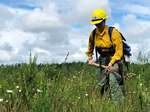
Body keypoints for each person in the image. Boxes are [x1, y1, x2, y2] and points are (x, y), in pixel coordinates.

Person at [85, 9, 124, 103]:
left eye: (99, 23)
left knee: (113, 80)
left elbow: (119, 52)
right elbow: (90, 47)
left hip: (115, 59)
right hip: (102, 59)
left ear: (104, 21)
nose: (97, 25)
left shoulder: (113, 32)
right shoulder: (93, 34)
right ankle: (104, 102)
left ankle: (119, 105)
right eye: (95, 24)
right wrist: (90, 58)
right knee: (103, 82)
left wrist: (111, 63)